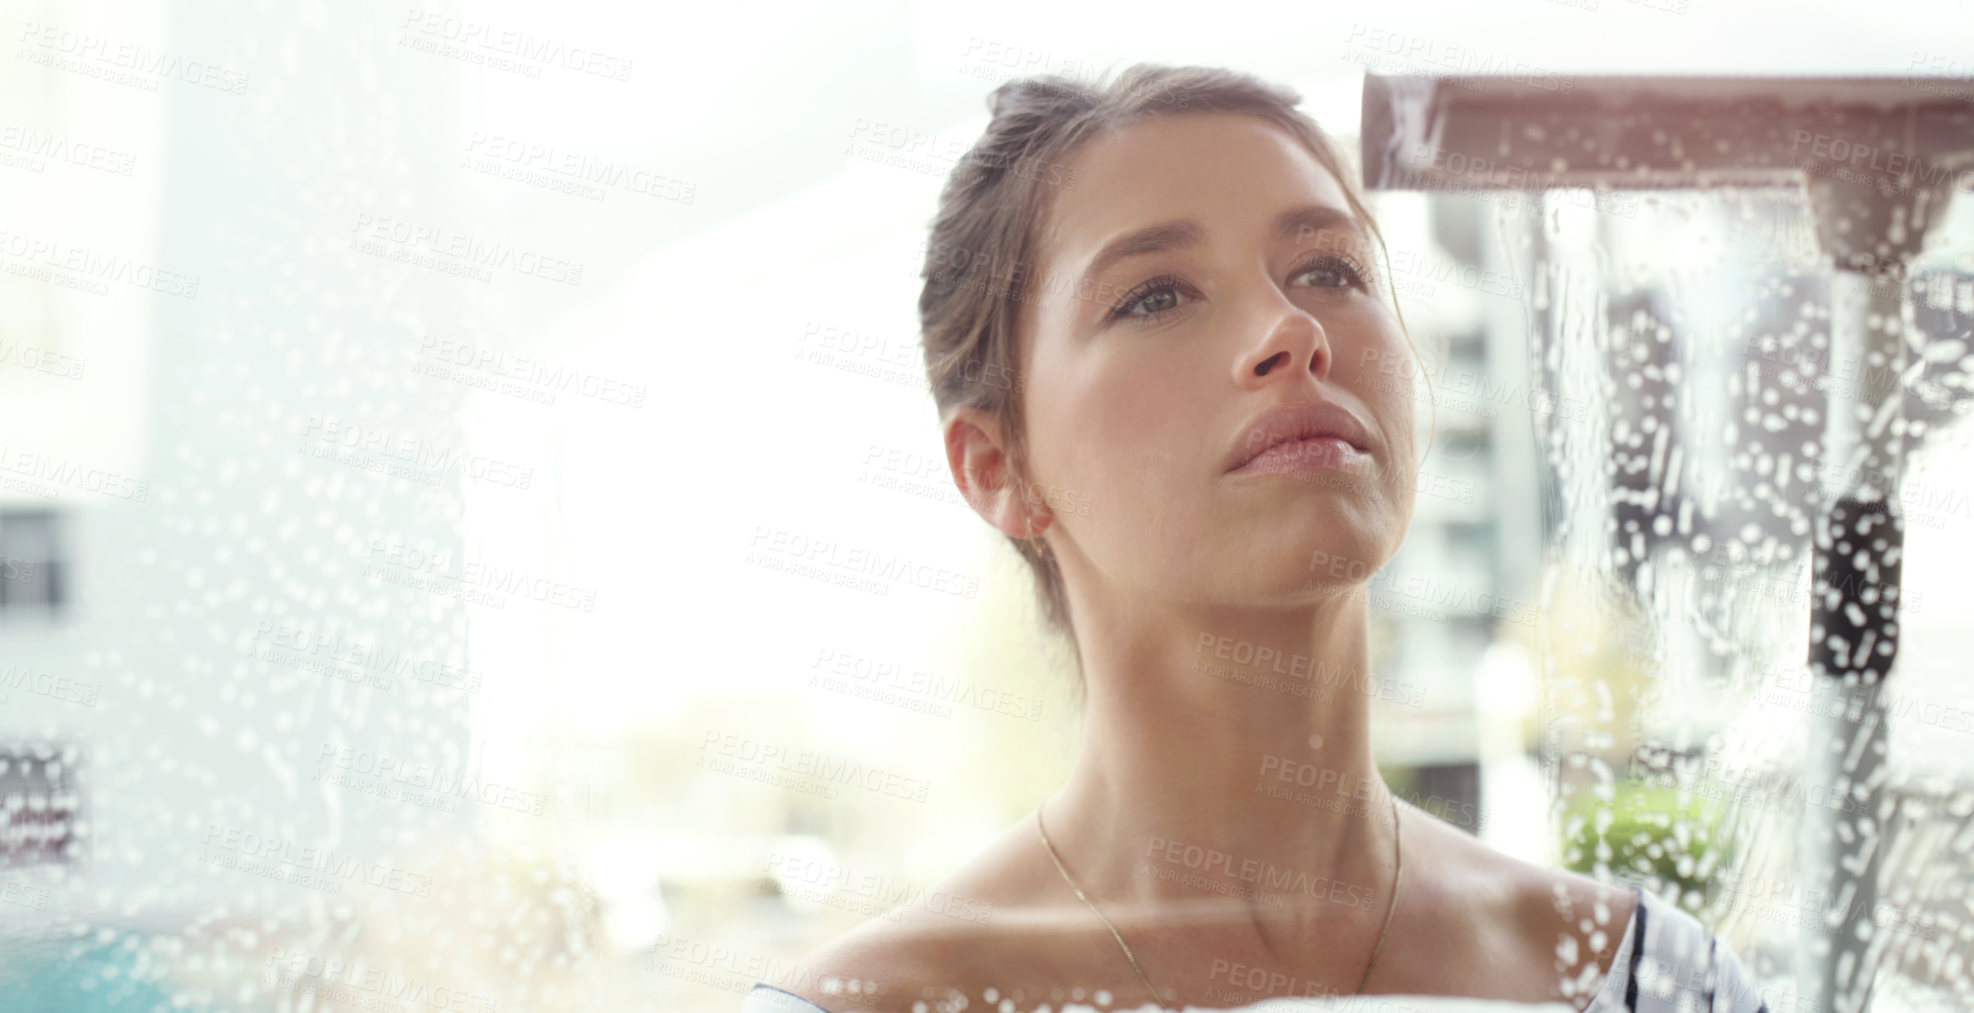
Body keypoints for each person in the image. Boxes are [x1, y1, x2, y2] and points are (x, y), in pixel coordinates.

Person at [744, 63, 1768, 1013]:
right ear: (996, 467)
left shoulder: (1650, 982)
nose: (1293, 330)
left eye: (1329, 269)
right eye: (1156, 294)